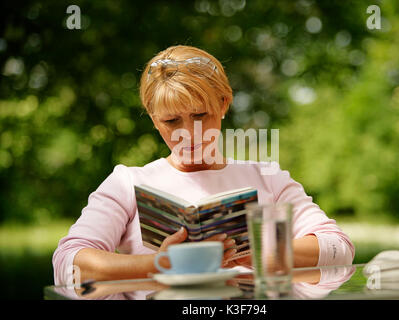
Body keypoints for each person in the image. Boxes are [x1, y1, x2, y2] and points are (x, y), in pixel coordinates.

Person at [52, 45, 355, 286]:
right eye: (171, 121)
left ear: (224, 104)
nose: (189, 133)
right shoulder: (128, 183)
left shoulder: (267, 178)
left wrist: (256, 253)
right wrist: (162, 264)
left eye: (200, 115)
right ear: (155, 120)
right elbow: (69, 265)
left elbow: (339, 250)